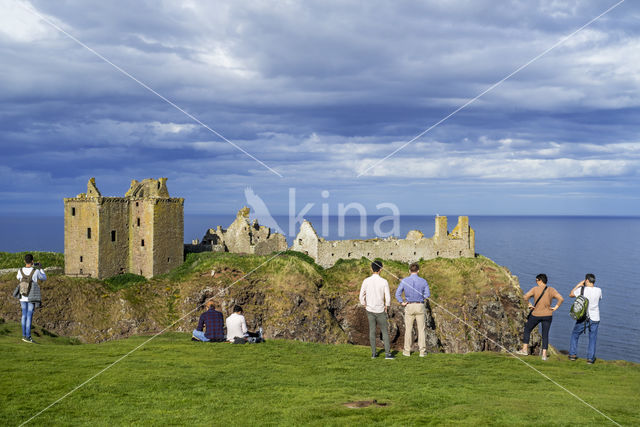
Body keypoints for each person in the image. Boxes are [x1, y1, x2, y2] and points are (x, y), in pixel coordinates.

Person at [516, 273, 564, 360]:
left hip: (536, 314)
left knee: (527, 329)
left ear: (540, 280)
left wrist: (530, 305)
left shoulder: (535, 289)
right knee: (545, 334)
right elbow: (561, 298)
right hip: (548, 315)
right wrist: (555, 308)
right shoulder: (551, 290)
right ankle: (544, 355)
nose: (536, 282)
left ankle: (524, 350)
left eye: (537, 280)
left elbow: (525, 297)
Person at [359, 260, 394, 359]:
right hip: (381, 310)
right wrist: (387, 305)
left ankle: (374, 353)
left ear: (371, 269)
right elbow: (388, 296)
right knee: (385, 332)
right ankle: (387, 354)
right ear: (381, 269)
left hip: (370, 309)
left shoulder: (366, 281)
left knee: (372, 331)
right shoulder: (384, 281)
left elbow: (361, 295)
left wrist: (364, 304)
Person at [395, 263, 430, 357]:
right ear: (418, 271)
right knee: (421, 329)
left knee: (408, 329)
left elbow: (397, 293)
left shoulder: (405, 281)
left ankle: (407, 351)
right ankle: (422, 351)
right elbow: (427, 294)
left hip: (409, 306)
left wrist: (401, 302)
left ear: (409, 271)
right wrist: (421, 298)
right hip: (419, 305)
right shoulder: (423, 281)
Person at [568, 274, 602, 364]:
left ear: (586, 280)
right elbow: (599, 299)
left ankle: (572, 355)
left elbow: (571, 294)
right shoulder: (599, 290)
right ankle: (590, 359)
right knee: (592, 338)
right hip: (595, 318)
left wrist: (578, 285)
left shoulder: (581, 290)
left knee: (575, 335)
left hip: (583, 317)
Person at [12, 254, 46, 343]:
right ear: (32, 261)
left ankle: (24, 335)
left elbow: (18, 278)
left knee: (24, 315)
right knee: (29, 315)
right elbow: (44, 278)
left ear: (24, 261)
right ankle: (28, 336)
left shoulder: (20, 271)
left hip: (22, 295)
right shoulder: (36, 271)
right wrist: (41, 268)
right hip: (31, 296)